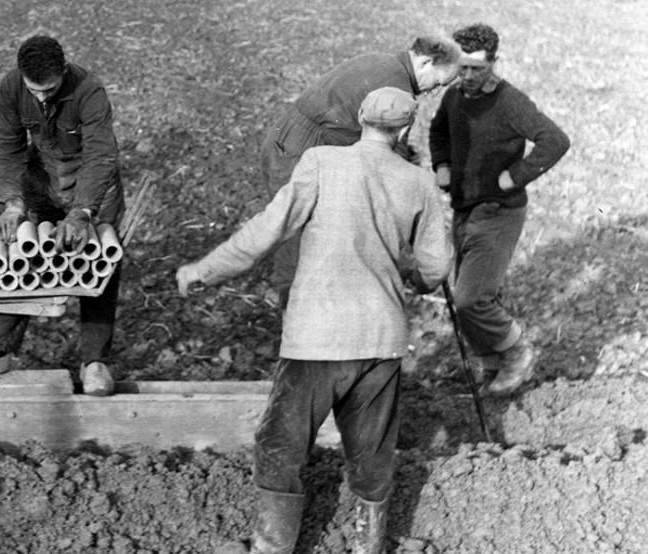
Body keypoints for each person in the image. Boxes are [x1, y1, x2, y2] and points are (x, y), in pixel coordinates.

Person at [177, 88, 453, 554]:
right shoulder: (419, 181)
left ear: (360, 119)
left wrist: (205, 270)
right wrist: (416, 280)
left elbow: (269, 228)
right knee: (371, 453)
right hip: (381, 338)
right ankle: (368, 545)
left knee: (281, 445)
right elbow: (435, 267)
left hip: (318, 336)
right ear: (405, 129)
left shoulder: (322, 161)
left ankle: (273, 547)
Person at [0, 35, 125, 397]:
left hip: (91, 184)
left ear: (63, 71)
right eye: (35, 91)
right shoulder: (12, 87)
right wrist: (13, 202)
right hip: (41, 179)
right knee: (21, 252)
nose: (43, 97)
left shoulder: (90, 91)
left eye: (50, 90)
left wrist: (82, 212)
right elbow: (8, 145)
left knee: (98, 264)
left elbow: (101, 156)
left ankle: (94, 360)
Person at [258, 34, 462, 311]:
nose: (432, 92)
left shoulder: (379, 61)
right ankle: (296, 315)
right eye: (437, 83)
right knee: (303, 234)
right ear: (426, 62)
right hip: (300, 154)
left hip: (286, 142)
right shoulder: (397, 88)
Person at [429, 23, 570, 396]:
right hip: (464, 209)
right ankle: (490, 368)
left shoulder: (510, 102)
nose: (470, 75)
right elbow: (438, 131)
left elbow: (554, 140)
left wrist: (517, 175)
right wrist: (442, 165)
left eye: (478, 68)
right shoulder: (454, 98)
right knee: (472, 296)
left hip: (498, 211)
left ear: (494, 62)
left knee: (470, 298)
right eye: (463, 67)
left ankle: (517, 352)